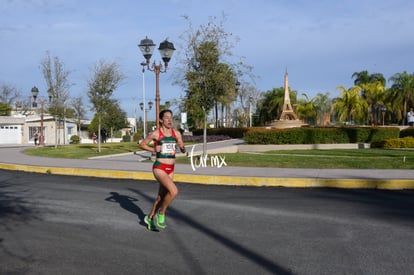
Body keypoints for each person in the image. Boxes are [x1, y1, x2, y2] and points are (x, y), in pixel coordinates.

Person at [139, 109, 186, 231]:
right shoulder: (156, 134)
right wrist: (154, 150)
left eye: (171, 117)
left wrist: (182, 148)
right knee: (174, 191)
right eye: (166, 118)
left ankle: (149, 217)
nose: (170, 120)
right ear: (161, 120)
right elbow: (143, 144)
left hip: (171, 168)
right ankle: (162, 213)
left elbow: (182, 145)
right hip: (159, 167)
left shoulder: (176, 133)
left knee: (161, 197)